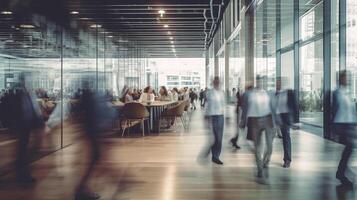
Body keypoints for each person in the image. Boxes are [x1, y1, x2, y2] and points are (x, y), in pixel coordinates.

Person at [240, 76, 275, 183]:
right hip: (254, 121)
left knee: (269, 146)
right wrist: (243, 121)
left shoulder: (268, 93)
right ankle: (259, 169)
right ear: (256, 82)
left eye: (263, 81)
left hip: (268, 120)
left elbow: (272, 108)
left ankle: (265, 162)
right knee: (257, 147)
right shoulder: (249, 94)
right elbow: (244, 108)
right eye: (259, 81)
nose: (261, 83)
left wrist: (276, 123)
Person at [332, 70, 356, 188]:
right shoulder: (336, 93)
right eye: (346, 77)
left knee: (349, 149)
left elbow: (351, 110)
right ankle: (341, 172)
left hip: (350, 124)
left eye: (348, 77)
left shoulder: (348, 93)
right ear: (340, 79)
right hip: (341, 124)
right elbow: (333, 110)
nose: (348, 79)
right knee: (349, 147)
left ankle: (342, 171)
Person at [274, 77, 298, 168]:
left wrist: (296, 121)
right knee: (275, 138)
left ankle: (287, 160)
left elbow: (295, 106)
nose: (277, 85)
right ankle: (266, 157)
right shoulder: (276, 94)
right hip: (277, 117)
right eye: (276, 83)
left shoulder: (289, 92)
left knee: (286, 138)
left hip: (285, 118)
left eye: (279, 83)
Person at [201, 76, 225, 165]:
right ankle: (212, 154)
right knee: (215, 138)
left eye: (218, 82)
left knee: (219, 138)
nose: (217, 83)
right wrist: (205, 116)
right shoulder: (209, 93)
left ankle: (216, 156)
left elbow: (223, 105)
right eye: (215, 82)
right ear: (213, 83)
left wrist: (227, 116)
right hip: (212, 116)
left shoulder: (222, 93)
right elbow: (207, 105)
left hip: (220, 116)